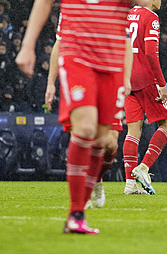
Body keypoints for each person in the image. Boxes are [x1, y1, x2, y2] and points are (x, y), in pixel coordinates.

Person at [16, 0, 151, 235]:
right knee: (86, 129)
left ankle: (96, 182)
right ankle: (76, 214)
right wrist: (28, 46)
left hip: (112, 60)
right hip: (77, 55)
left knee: (106, 143)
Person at [45, 36, 131, 209]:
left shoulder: (117, 9)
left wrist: (127, 78)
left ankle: (96, 179)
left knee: (110, 144)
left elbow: (126, 43)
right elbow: (59, 43)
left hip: (111, 75)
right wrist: (50, 83)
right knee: (83, 135)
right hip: (80, 75)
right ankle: (81, 198)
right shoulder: (72, 10)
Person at [123, 0, 167, 195]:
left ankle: (130, 184)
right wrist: (161, 84)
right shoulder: (151, 17)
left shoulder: (127, 15)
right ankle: (143, 167)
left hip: (127, 78)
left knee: (133, 130)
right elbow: (150, 54)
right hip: (146, 77)